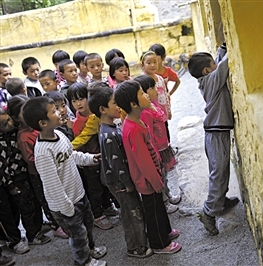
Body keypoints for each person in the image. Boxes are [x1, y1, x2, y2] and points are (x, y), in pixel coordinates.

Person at [22, 96, 107, 266]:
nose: (61, 112)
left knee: (87, 226)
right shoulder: (43, 151)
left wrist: (90, 159)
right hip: (65, 205)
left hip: (78, 195)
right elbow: (52, 184)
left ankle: (90, 250)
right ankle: (83, 261)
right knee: (78, 235)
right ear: (43, 123)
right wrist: (68, 208)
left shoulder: (59, 135)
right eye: (53, 111)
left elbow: (71, 155)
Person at [114, 80, 181, 254]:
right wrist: (156, 182)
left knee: (159, 207)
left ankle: (165, 232)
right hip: (147, 180)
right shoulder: (133, 129)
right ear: (133, 104)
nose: (146, 95)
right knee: (154, 212)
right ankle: (160, 244)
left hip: (153, 175)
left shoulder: (137, 121)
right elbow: (143, 161)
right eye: (142, 94)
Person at [88, 82, 153, 258]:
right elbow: (116, 164)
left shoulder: (110, 127)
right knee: (132, 213)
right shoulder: (108, 134)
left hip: (120, 180)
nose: (118, 107)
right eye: (114, 104)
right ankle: (135, 248)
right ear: (102, 109)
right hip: (119, 182)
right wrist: (127, 183)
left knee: (133, 210)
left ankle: (139, 242)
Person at [188, 43, 239, 235]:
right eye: (212, 64)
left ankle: (220, 200)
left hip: (215, 133)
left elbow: (218, 62)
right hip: (216, 135)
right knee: (218, 172)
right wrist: (231, 45)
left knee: (221, 170)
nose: (215, 65)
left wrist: (222, 49)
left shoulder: (208, 77)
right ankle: (208, 212)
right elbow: (224, 65)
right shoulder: (211, 80)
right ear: (206, 70)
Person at [7, 95, 69, 240]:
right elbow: (30, 159)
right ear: (16, 118)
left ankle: (62, 219)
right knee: (47, 199)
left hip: (52, 167)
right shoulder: (24, 137)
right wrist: (47, 160)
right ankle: (56, 225)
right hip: (38, 174)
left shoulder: (39, 129)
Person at [67, 83, 117, 230]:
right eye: (74, 101)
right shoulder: (83, 121)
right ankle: (97, 215)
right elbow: (81, 138)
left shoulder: (95, 114)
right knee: (95, 189)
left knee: (104, 184)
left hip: (103, 157)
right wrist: (67, 149)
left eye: (82, 99)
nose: (78, 103)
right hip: (90, 161)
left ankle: (107, 206)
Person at [0, 105, 50, 247]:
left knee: (34, 201)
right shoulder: (2, 143)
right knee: (25, 207)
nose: (10, 124)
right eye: (5, 124)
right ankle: (32, 235)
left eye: (9, 120)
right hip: (16, 179)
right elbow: (3, 169)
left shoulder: (15, 132)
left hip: (25, 173)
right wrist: (11, 186)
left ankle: (38, 226)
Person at [134, 75, 180, 214]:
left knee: (164, 175)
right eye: (152, 88)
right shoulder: (145, 113)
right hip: (157, 150)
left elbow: (162, 117)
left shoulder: (152, 106)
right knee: (160, 176)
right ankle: (164, 202)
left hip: (163, 146)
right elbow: (150, 136)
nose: (156, 90)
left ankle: (168, 195)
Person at [140, 51, 171, 143]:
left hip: (163, 112)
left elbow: (165, 94)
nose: (152, 65)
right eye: (149, 63)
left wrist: (168, 110)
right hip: (152, 115)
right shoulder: (142, 81)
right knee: (157, 135)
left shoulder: (160, 78)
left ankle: (168, 146)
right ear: (142, 65)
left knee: (166, 131)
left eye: (155, 62)